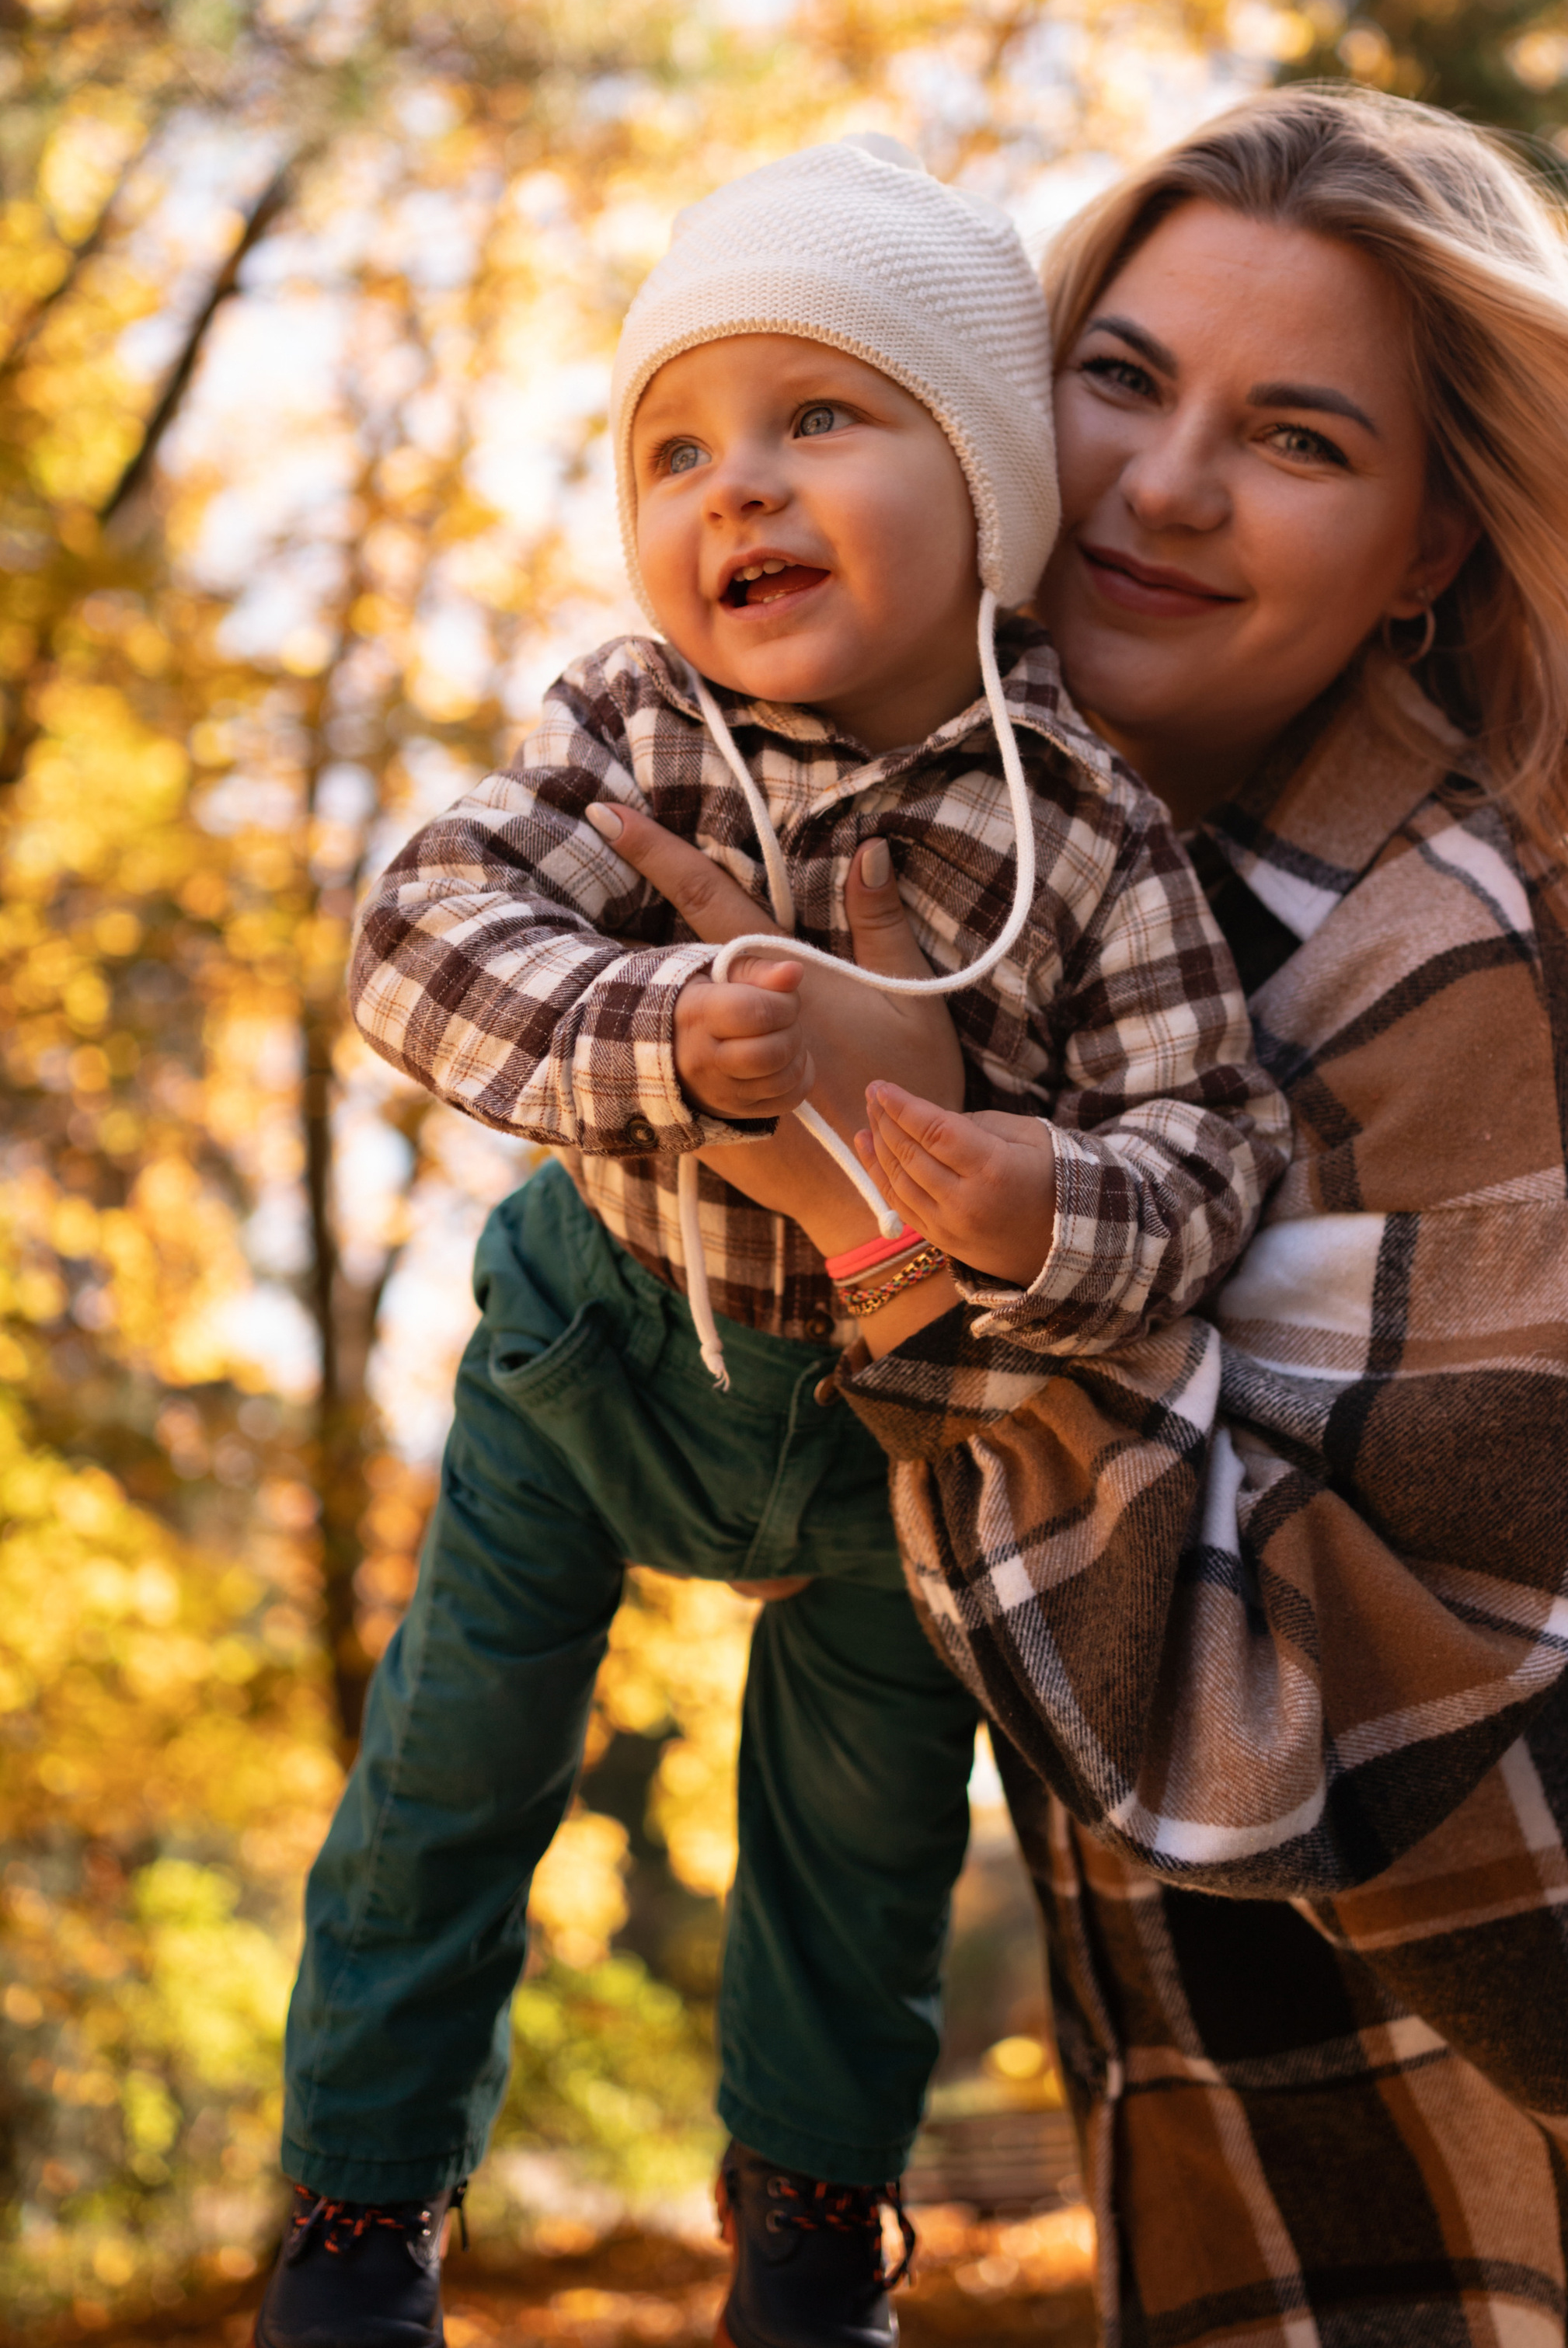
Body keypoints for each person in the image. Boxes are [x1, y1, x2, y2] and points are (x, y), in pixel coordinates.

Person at [610, 88, 1568, 2343]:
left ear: (1426, 550)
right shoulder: (1045, 905)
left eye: (1297, 438)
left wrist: (893, 1227)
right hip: (1347, 2146)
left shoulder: (1472, 962)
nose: (1163, 485)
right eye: (1123, 379)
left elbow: (1272, 1739)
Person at [255, 138, 1287, 2348]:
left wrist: (1044, 1200)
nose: (739, 485)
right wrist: (656, 1029)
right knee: (455, 1766)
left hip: (905, 1409)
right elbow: (417, 933)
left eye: (821, 416)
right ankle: (359, 2217)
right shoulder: (640, 724)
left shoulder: (1083, 827)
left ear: (988, 485)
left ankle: (813, 2238)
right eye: (678, 448)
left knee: (865, 1830)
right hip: (605, 1346)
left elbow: (1210, 1141)